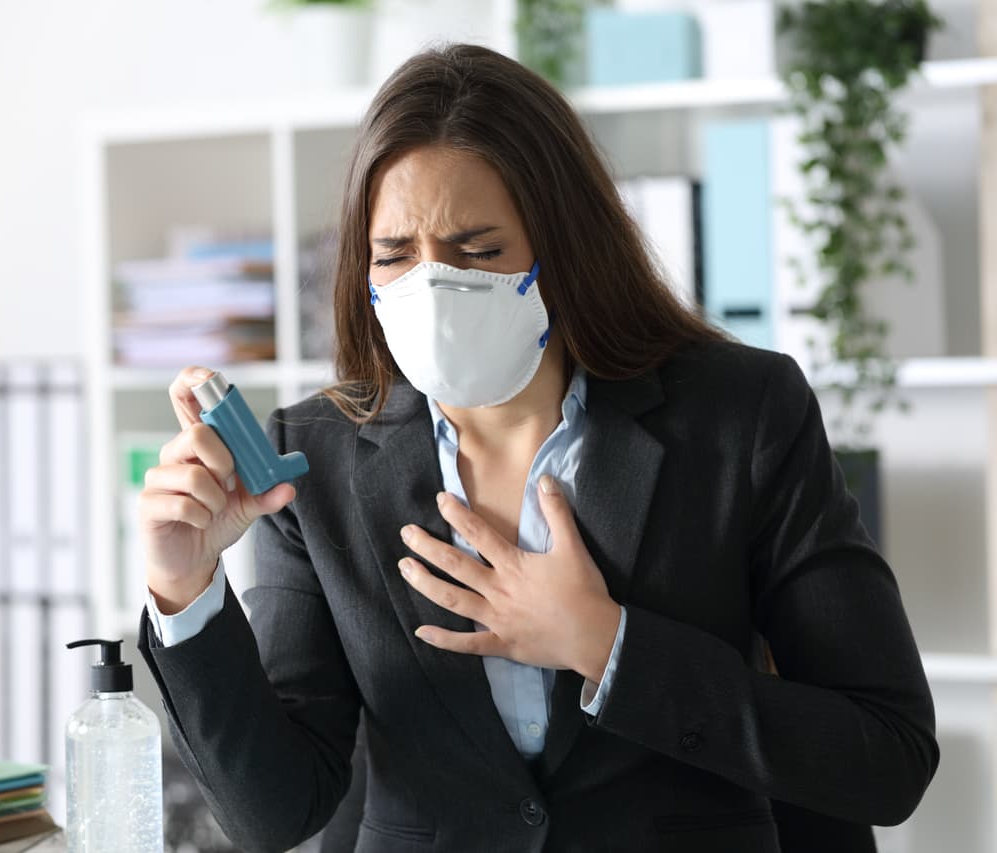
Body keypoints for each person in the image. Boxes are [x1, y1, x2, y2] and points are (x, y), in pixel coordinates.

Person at [136, 44, 938, 853]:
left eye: (478, 251)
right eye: (394, 256)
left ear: (565, 246)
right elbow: (274, 812)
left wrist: (607, 645)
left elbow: (886, 754)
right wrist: (185, 585)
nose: (433, 288)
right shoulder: (313, 457)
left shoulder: (741, 415)